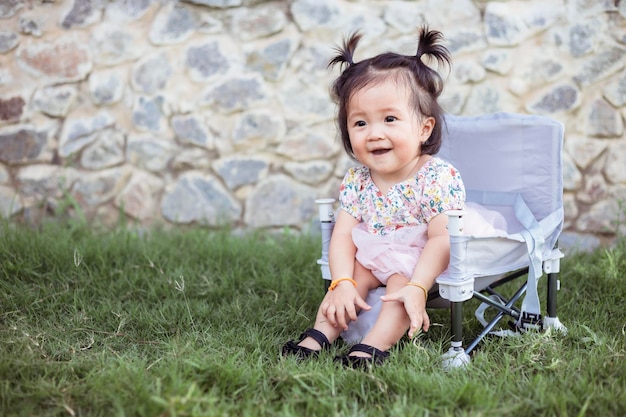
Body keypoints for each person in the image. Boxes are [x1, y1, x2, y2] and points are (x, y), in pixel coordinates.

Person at [282, 25, 465, 368]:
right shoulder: (357, 180)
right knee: (352, 276)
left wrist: (420, 287)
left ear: (424, 128)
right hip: (372, 253)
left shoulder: (436, 177)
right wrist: (343, 281)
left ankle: (372, 346)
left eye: (390, 119)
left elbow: (441, 240)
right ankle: (320, 334)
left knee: (400, 286)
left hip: (418, 258)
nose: (375, 133)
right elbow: (342, 235)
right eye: (360, 123)